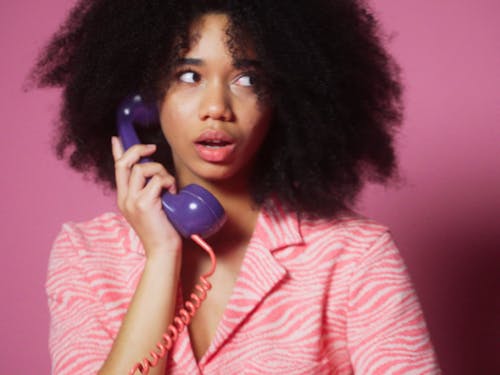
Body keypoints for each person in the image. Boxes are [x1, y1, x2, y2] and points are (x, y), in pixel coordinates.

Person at [31, 0, 440, 374]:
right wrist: (161, 255)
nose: (217, 108)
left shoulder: (355, 257)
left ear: (286, 98)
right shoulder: (85, 256)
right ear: (144, 101)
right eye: (189, 75)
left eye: (247, 79)